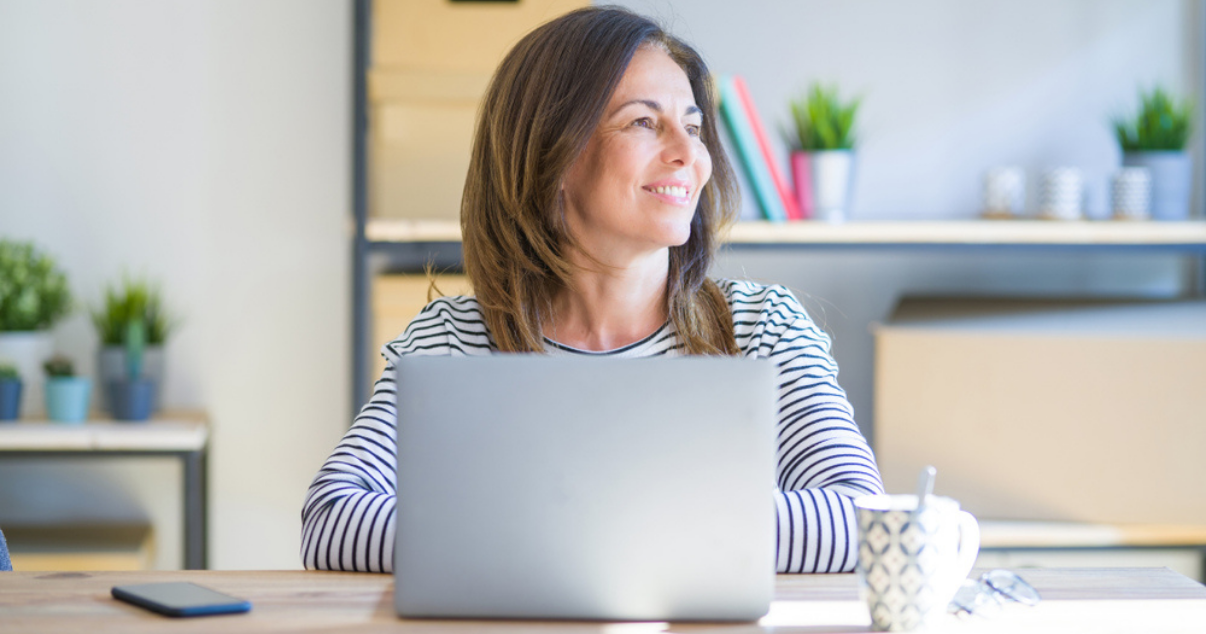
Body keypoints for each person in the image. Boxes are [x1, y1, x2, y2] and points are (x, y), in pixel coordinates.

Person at [302, 6, 882, 575]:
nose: (689, 154)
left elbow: (865, 521)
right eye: (643, 122)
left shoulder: (761, 326)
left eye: (694, 125)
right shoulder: (455, 336)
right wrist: (649, 532)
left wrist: (573, 530)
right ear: (550, 153)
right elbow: (332, 519)